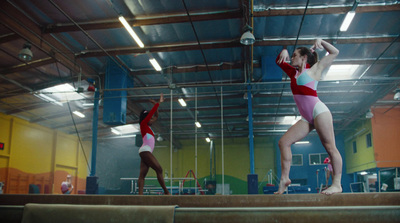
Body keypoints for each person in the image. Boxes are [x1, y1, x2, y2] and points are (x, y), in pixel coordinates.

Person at [274, 39, 342, 195]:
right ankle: (285, 179)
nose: (291, 58)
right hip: (306, 118)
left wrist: (321, 42)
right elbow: (279, 61)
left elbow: (335, 52)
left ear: (304, 57)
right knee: (284, 142)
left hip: (319, 112)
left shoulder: (315, 69)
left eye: (294, 55)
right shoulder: (293, 72)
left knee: (330, 147)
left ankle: (337, 184)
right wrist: (283, 49)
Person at [137, 93, 170, 195]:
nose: (152, 120)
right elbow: (152, 115)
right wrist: (158, 103)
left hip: (144, 151)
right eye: (149, 119)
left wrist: (156, 104)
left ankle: (140, 196)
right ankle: (166, 192)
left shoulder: (149, 127)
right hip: (145, 150)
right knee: (159, 169)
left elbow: (156, 115)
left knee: (142, 175)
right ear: (146, 119)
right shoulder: (143, 125)